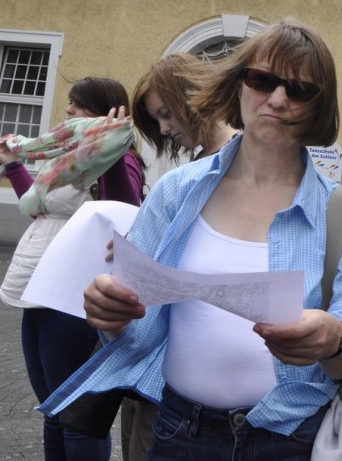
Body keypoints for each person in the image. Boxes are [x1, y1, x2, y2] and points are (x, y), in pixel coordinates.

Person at [41, 19, 342, 461]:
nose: (278, 99)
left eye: (300, 90)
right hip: (179, 433)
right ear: (239, 85)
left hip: (292, 439)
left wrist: (333, 339)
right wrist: (109, 313)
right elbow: (135, 326)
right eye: (263, 80)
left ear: (318, 106)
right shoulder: (177, 192)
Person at [0, 76, 145, 461]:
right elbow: (41, 208)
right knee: (52, 407)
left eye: (78, 104)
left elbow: (125, 210)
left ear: (101, 111)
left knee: (77, 413)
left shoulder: (120, 158)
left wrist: (112, 147)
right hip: (39, 288)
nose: (68, 111)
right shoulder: (70, 158)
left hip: (74, 294)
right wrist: (13, 166)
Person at [115, 53, 238, 461]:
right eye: (157, 120)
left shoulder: (240, 169)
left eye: (166, 114)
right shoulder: (193, 168)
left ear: (195, 96)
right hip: (150, 358)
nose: (165, 128)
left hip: (181, 374)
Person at [132, 52, 238, 163]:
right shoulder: (199, 163)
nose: (163, 129)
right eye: (156, 120)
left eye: (165, 113)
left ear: (191, 95)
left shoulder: (242, 153)